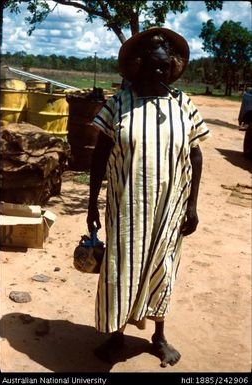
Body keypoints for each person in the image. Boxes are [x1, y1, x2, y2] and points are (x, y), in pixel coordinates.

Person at [87, 27, 210, 368]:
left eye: (164, 67)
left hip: (169, 210)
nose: (160, 73)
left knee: (163, 268)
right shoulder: (118, 105)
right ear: (138, 65)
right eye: (153, 66)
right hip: (126, 209)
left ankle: (159, 336)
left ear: (171, 68)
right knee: (120, 269)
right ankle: (115, 335)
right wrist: (91, 203)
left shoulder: (182, 105)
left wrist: (192, 204)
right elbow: (99, 157)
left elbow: (196, 156)